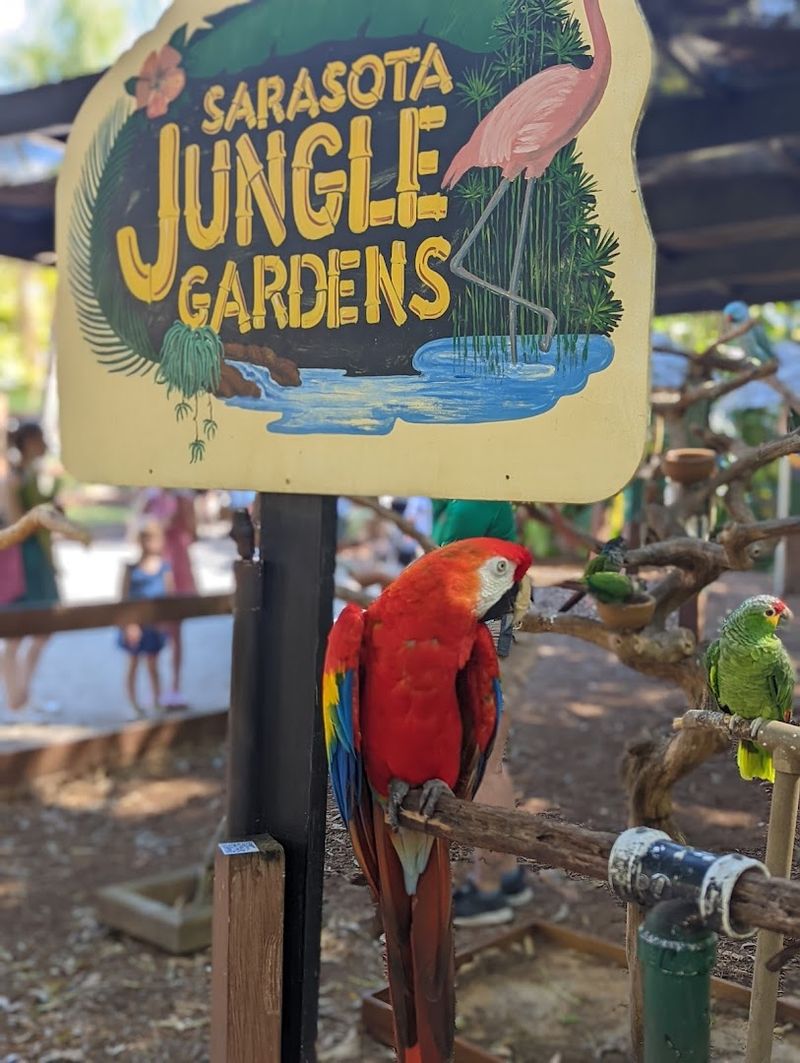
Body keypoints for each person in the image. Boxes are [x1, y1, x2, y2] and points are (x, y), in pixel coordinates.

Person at [433, 499, 534, 926]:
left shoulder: (479, 491)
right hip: (480, 620)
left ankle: (489, 887)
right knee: (489, 758)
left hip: (476, 623)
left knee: (483, 760)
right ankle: (507, 874)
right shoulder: (474, 487)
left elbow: (447, 563)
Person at [2, 423, 61, 714]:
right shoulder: (13, 480)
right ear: (26, 442)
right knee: (17, 634)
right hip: (22, 563)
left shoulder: (36, 478)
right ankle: (17, 699)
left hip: (38, 558)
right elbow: (16, 523)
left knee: (43, 629)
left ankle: (22, 695)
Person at [141, 488, 197, 707]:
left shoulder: (183, 498)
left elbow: (192, 531)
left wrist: (183, 510)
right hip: (156, 568)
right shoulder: (150, 498)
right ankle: (154, 689)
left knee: (176, 632)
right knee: (152, 630)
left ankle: (174, 687)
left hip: (178, 568)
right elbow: (141, 528)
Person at [118, 520, 174, 716]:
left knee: (153, 665)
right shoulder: (130, 569)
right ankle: (132, 703)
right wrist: (129, 624)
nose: (148, 543)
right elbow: (123, 598)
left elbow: (169, 598)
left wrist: (163, 622)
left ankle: (157, 700)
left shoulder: (165, 569)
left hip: (154, 626)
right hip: (135, 626)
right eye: (144, 538)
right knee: (133, 664)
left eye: (152, 538)